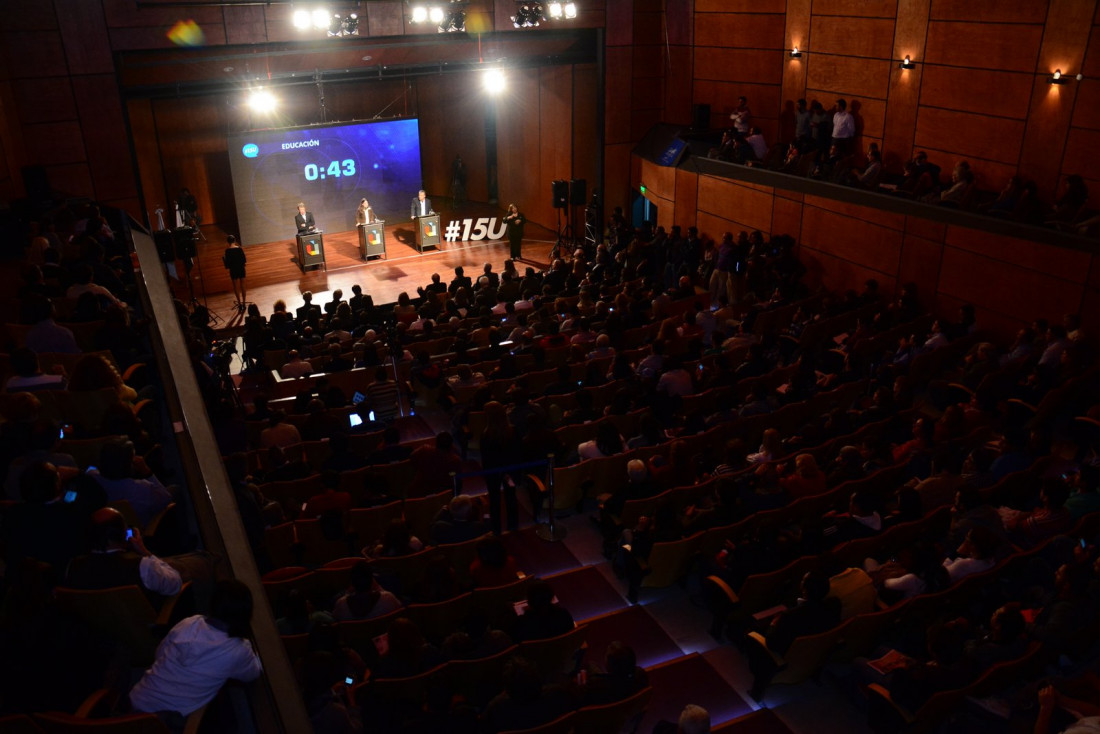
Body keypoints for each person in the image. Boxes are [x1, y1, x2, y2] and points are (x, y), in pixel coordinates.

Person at [129, 579, 263, 720]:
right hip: (167, 719)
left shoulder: (188, 623)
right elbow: (252, 673)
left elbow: (160, 653)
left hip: (137, 700)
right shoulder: (239, 651)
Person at [222, 235, 246, 311]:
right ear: (234, 241)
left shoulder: (227, 251)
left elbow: (227, 264)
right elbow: (244, 260)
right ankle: (244, 303)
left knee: (235, 286)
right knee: (243, 285)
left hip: (233, 270)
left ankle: (239, 304)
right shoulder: (240, 249)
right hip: (241, 268)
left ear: (228, 242)